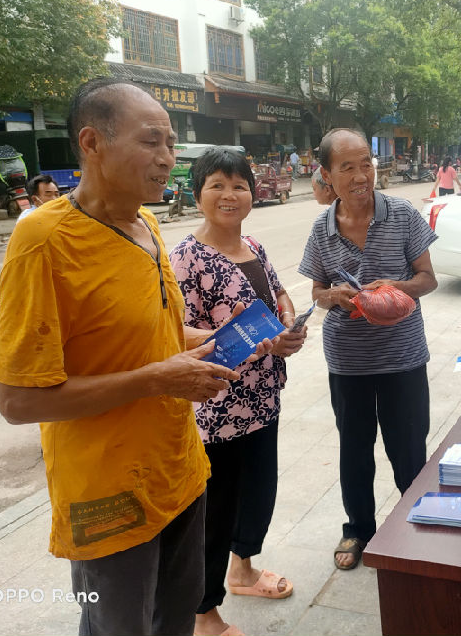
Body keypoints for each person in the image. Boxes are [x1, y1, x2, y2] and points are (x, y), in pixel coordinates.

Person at [0, 78, 275, 636]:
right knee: (119, 626)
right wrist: (156, 379)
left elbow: (155, 332)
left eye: (170, 143)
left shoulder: (145, 226)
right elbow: (18, 400)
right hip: (108, 496)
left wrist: (213, 340)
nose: (167, 158)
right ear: (92, 143)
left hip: (181, 472)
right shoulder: (44, 241)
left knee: (176, 618)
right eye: (151, 142)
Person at [170, 148, 306, 636]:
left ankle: (243, 569)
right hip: (218, 409)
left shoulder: (253, 245)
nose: (230, 195)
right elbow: (169, 329)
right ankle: (204, 614)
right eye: (217, 185)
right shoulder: (185, 258)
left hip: (263, 397)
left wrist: (288, 324)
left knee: (257, 494)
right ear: (198, 192)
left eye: (240, 185)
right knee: (215, 511)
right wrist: (229, 337)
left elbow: (278, 294)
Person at [298, 128, 438, 571]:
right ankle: (358, 528)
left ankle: (416, 523)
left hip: (402, 357)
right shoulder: (321, 229)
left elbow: (428, 280)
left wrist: (391, 287)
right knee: (354, 448)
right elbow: (317, 291)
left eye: (366, 164)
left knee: (409, 446)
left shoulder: (402, 214)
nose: (361, 176)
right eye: (348, 168)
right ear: (326, 174)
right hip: (349, 361)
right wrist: (334, 296)